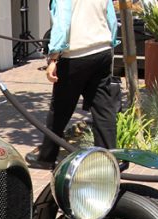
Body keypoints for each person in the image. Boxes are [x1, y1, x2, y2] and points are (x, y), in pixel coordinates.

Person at [25, 0, 119, 170]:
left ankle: (46, 158)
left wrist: (53, 58)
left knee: (59, 110)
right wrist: (110, 43)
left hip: (75, 55)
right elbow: (111, 19)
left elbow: (62, 23)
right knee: (104, 109)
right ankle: (109, 159)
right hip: (103, 51)